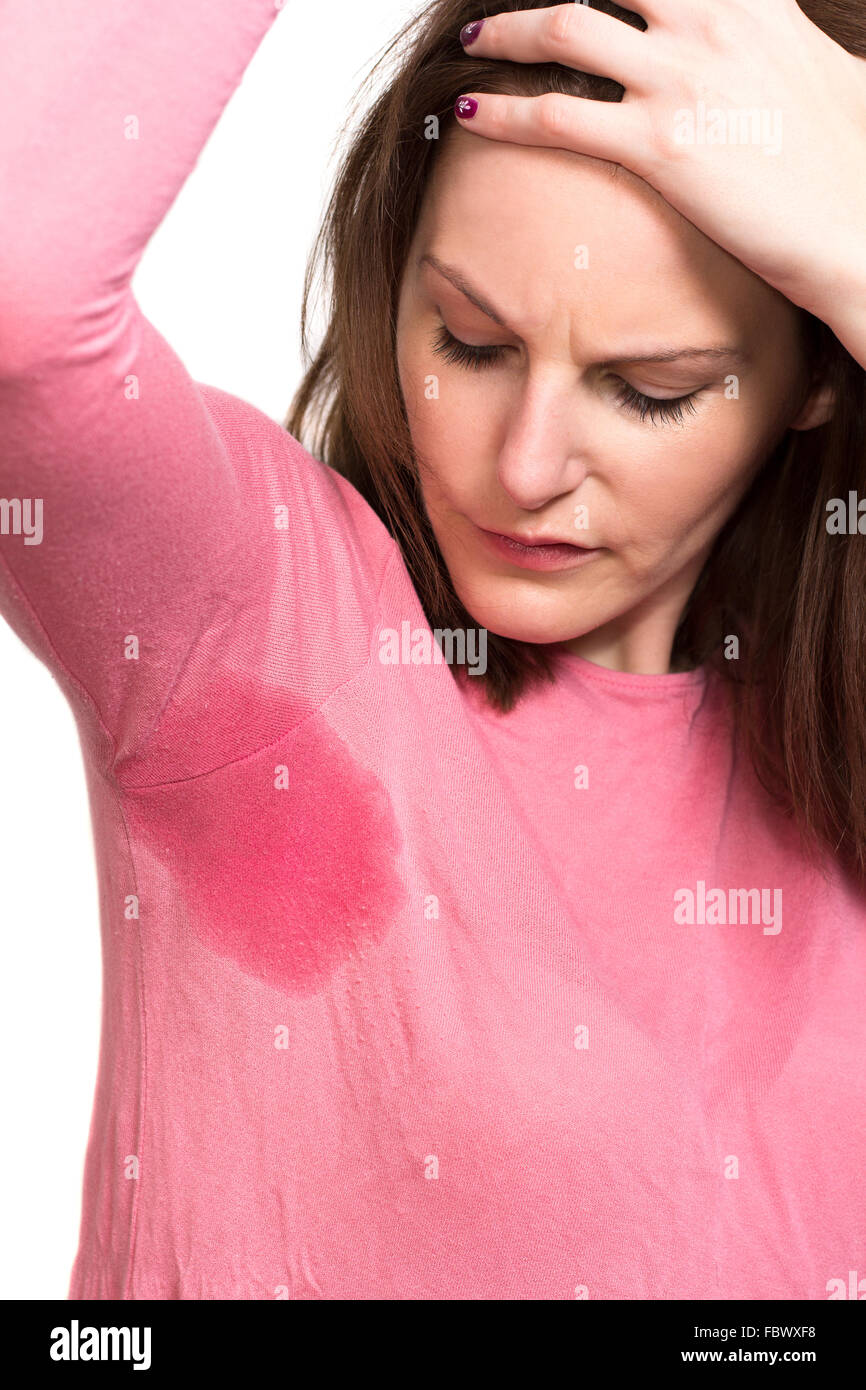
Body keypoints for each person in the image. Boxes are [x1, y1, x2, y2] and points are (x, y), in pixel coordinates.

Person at [1, 0, 864, 1301]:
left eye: (652, 386)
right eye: (468, 340)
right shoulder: (259, 618)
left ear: (816, 372)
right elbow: (16, 302)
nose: (525, 467)